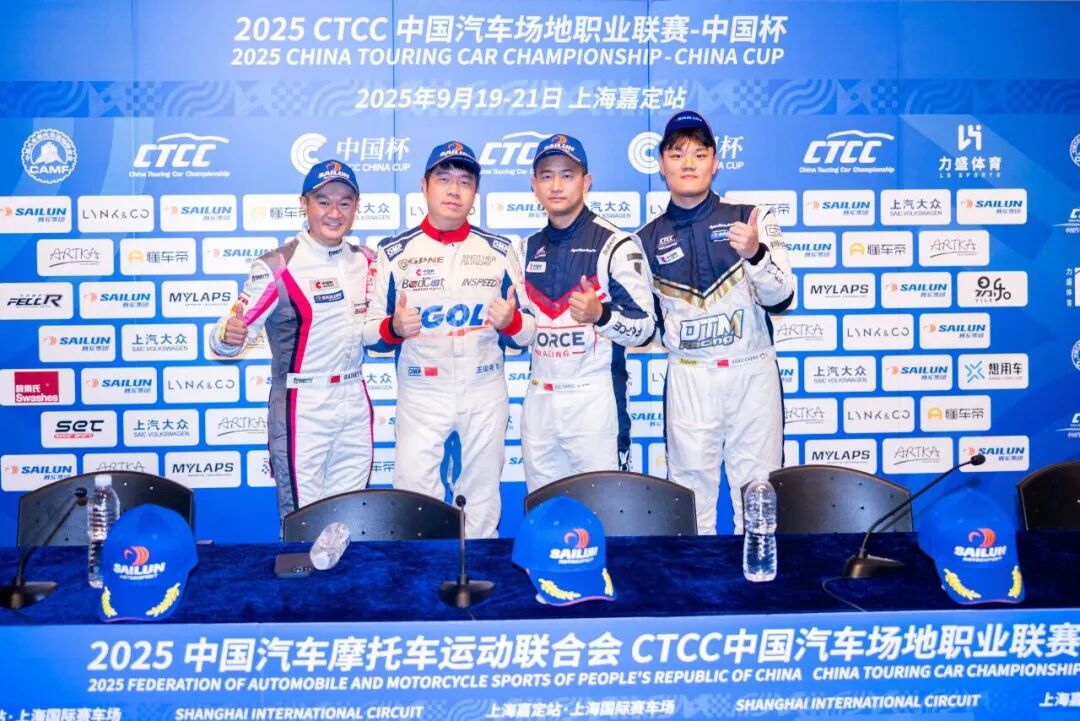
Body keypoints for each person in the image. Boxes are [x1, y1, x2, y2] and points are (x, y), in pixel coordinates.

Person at [362, 141, 535, 538]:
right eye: (444, 179)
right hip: (422, 393)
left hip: (484, 389)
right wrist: (394, 328)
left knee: (482, 499)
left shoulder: (500, 250)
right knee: (414, 497)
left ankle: (480, 569)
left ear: (475, 193)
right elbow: (369, 336)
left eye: (465, 182)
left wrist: (511, 322)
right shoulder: (393, 252)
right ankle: (418, 573)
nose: (454, 190)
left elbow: (528, 333)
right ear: (424, 186)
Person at [637, 111, 795, 535]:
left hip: (751, 371)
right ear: (661, 164)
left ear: (716, 161)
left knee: (759, 490)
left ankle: (758, 574)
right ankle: (694, 577)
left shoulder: (752, 217)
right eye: (677, 154)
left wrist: (756, 254)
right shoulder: (644, 240)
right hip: (690, 376)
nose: (688, 163)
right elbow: (645, 325)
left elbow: (782, 298)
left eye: (699, 153)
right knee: (690, 497)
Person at [210, 159, 375, 521]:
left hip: (354, 398)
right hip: (302, 405)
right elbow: (227, 335)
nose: (335, 213)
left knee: (351, 515)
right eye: (323, 202)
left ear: (356, 208)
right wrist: (227, 334)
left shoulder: (367, 261)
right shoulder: (277, 266)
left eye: (345, 203)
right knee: (303, 518)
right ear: (304, 204)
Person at [517, 134, 655, 491]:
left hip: (594, 401)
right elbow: (520, 334)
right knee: (543, 507)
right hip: (541, 399)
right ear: (534, 185)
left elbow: (646, 327)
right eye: (546, 176)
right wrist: (508, 323)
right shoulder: (523, 250)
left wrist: (601, 314)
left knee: (604, 506)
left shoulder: (615, 244)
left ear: (586, 181)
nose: (556, 185)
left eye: (567, 175)